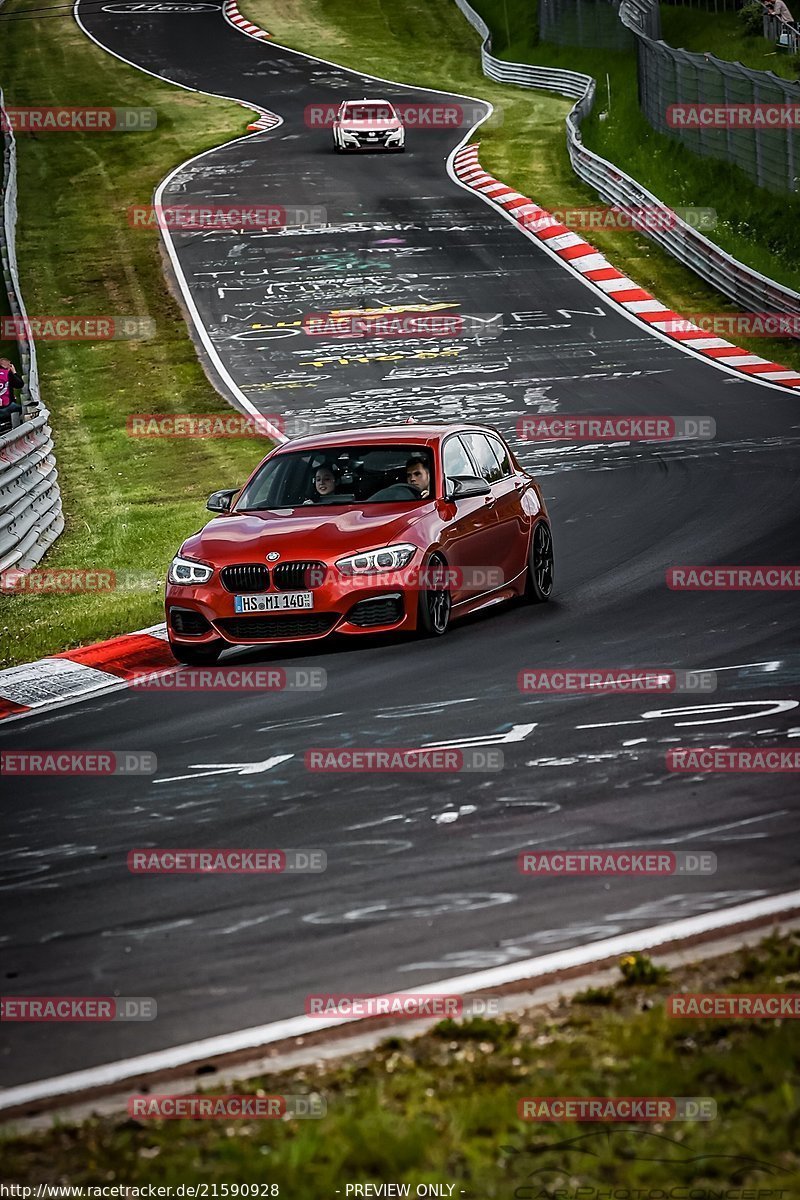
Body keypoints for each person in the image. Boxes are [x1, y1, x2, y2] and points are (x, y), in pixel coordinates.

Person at [0, 358, 25, 427]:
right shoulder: (7, 374)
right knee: (23, 410)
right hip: (7, 407)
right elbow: (20, 384)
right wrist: (14, 372)